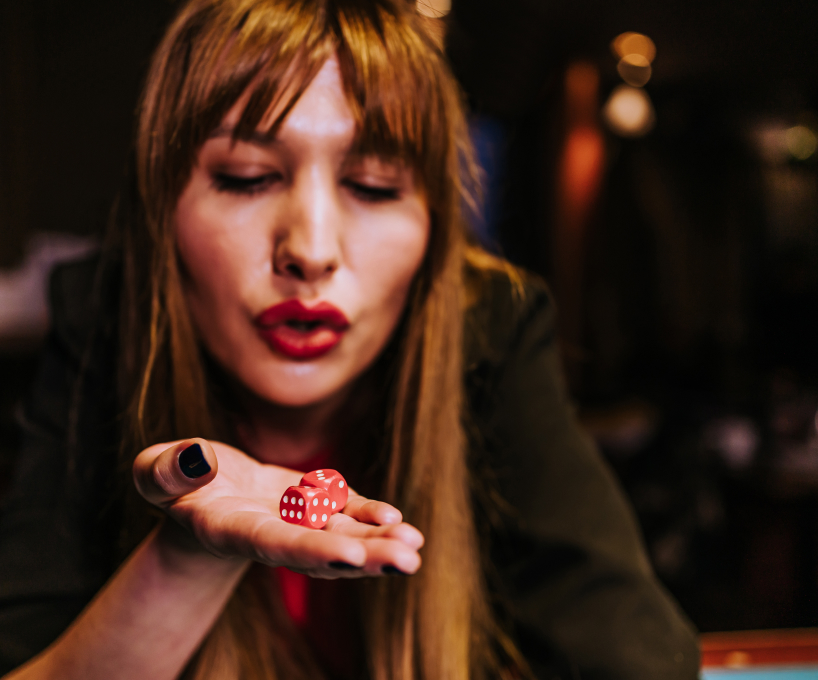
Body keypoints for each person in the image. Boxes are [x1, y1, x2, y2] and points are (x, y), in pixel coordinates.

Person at [0, 0, 700, 678]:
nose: (310, 249)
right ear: (164, 213)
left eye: (372, 185)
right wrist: (188, 557)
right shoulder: (103, 316)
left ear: (434, 233)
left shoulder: (489, 327)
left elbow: (636, 656)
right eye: (247, 178)